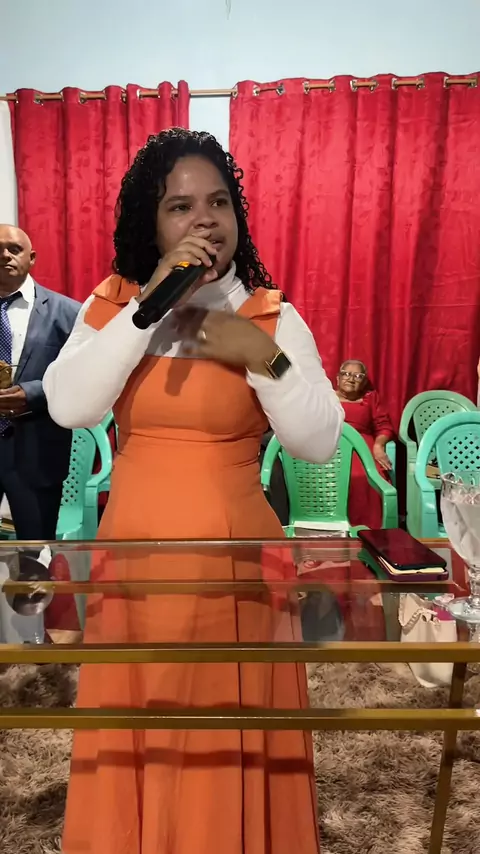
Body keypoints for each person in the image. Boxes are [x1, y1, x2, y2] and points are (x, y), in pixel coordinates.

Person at [44, 128, 344, 854]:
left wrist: (258, 354)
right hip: (134, 564)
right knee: (139, 725)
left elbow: (316, 441)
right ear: (151, 224)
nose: (204, 219)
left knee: (224, 731)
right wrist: (148, 304)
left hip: (238, 569)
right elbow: (70, 405)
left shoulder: (269, 314)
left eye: (218, 202)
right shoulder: (114, 303)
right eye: (180, 206)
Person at [0, 224, 79, 540]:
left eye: (14, 249)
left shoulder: (69, 313)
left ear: (31, 258)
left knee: (35, 554)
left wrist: (32, 393)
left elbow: (81, 375)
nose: (5, 255)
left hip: (36, 453)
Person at [336, 360, 395, 529]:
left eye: (358, 376)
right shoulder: (325, 397)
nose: (351, 379)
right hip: (332, 445)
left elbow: (384, 426)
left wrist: (379, 445)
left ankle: (370, 529)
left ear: (363, 382)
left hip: (362, 447)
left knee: (367, 477)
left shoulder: (371, 398)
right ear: (338, 378)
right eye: (346, 374)